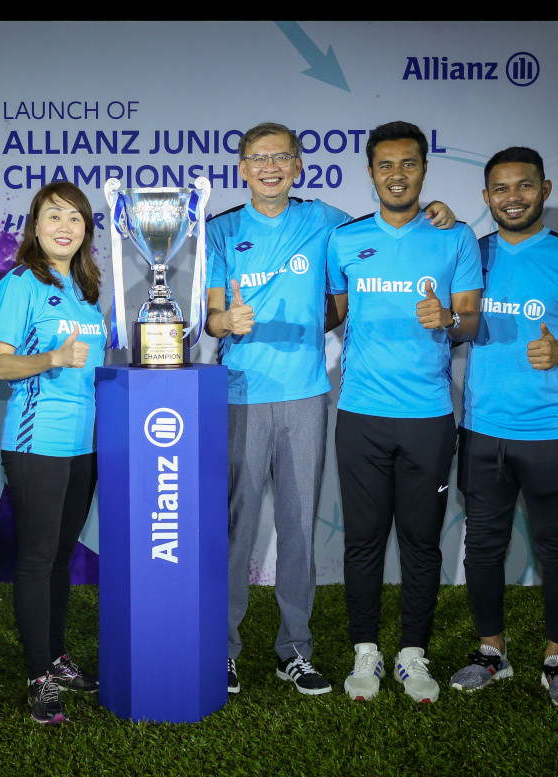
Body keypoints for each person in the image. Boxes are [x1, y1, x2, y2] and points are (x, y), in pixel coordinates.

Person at [205, 121, 455, 696]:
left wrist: (436, 211)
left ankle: (294, 650)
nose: (270, 167)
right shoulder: (219, 232)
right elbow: (213, 316)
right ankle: (223, 650)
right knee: (236, 525)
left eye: (281, 157)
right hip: (240, 393)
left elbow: (371, 259)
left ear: (298, 167)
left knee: (297, 525)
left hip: (307, 395)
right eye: (257, 157)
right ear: (242, 167)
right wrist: (228, 324)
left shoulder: (327, 223)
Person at [448, 147, 558, 708]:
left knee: (556, 549)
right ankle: (491, 652)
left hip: (549, 430)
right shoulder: (471, 254)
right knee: (483, 548)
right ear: (486, 196)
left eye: (523, 186)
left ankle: (557, 660)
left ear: (544, 190)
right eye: (500, 188)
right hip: (481, 429)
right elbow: (454, 324)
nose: (512, 197)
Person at [326, 121, 482, 704]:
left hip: (429, 416)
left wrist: (450, 321)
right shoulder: (344, 239)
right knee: (363, 539)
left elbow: (469, 320)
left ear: (423, 169)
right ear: (370, 173)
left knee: (421, 541)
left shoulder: (455, 237)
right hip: (361, 413)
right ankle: (366, 650)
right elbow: (333, 313)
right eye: (386, 165)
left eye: (409, 164)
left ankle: (412, 653)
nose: (397, 175)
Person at [0, 181, 106, 725]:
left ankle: (56, 659)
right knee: (37, 561)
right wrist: (52, 358)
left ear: (86, 231)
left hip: (84, 447)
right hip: (37, 443)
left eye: (76, 218)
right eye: (54, 216)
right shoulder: (20, 284)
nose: (65, 226)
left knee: (61, 558)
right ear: (35, 227)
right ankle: (38, 676)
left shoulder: (86, 291)